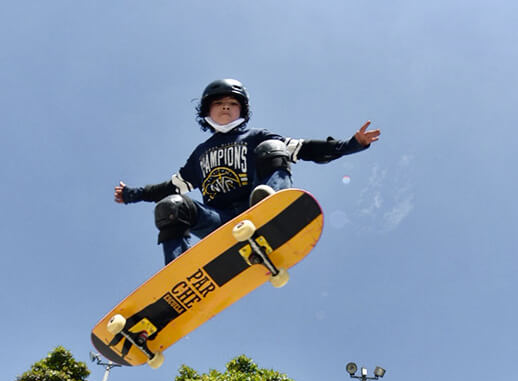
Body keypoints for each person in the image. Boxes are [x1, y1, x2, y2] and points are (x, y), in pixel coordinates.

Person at [114, 78, 381, 265]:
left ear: (242, 109)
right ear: (207, 110)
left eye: (232, 103)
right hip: (220, 225)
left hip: (255, 209)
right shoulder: (198, 156)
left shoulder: (256, 136)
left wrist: (352, 145)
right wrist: (130, 195)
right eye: (219, 103)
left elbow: (306, 149)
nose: (226, 107)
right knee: (170, 206)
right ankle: (176, 270)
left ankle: (272, 207)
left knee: (273, 147)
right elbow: (167, 188)